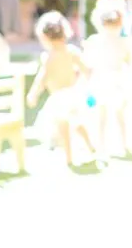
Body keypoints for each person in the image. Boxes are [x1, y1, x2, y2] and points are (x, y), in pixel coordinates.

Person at [27, 11, 98, 167]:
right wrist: (83, 79)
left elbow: (42, 79)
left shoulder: (49, 57)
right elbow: (87, 69)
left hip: (59, 97)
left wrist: (33, 94)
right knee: (78, 123)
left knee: (63, 126)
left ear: (44, 37)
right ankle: (90, 146)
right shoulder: (71, 51)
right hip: (73, 94)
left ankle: (69, 157)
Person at [83, 0, 132, 161]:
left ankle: (110, 146)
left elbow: (89, 62)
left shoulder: (98, 41)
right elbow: (128, 60)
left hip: (108, 80)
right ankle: (116, 145)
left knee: (108, 116)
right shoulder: (119, 41)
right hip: (111, 80)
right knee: (112, 115)